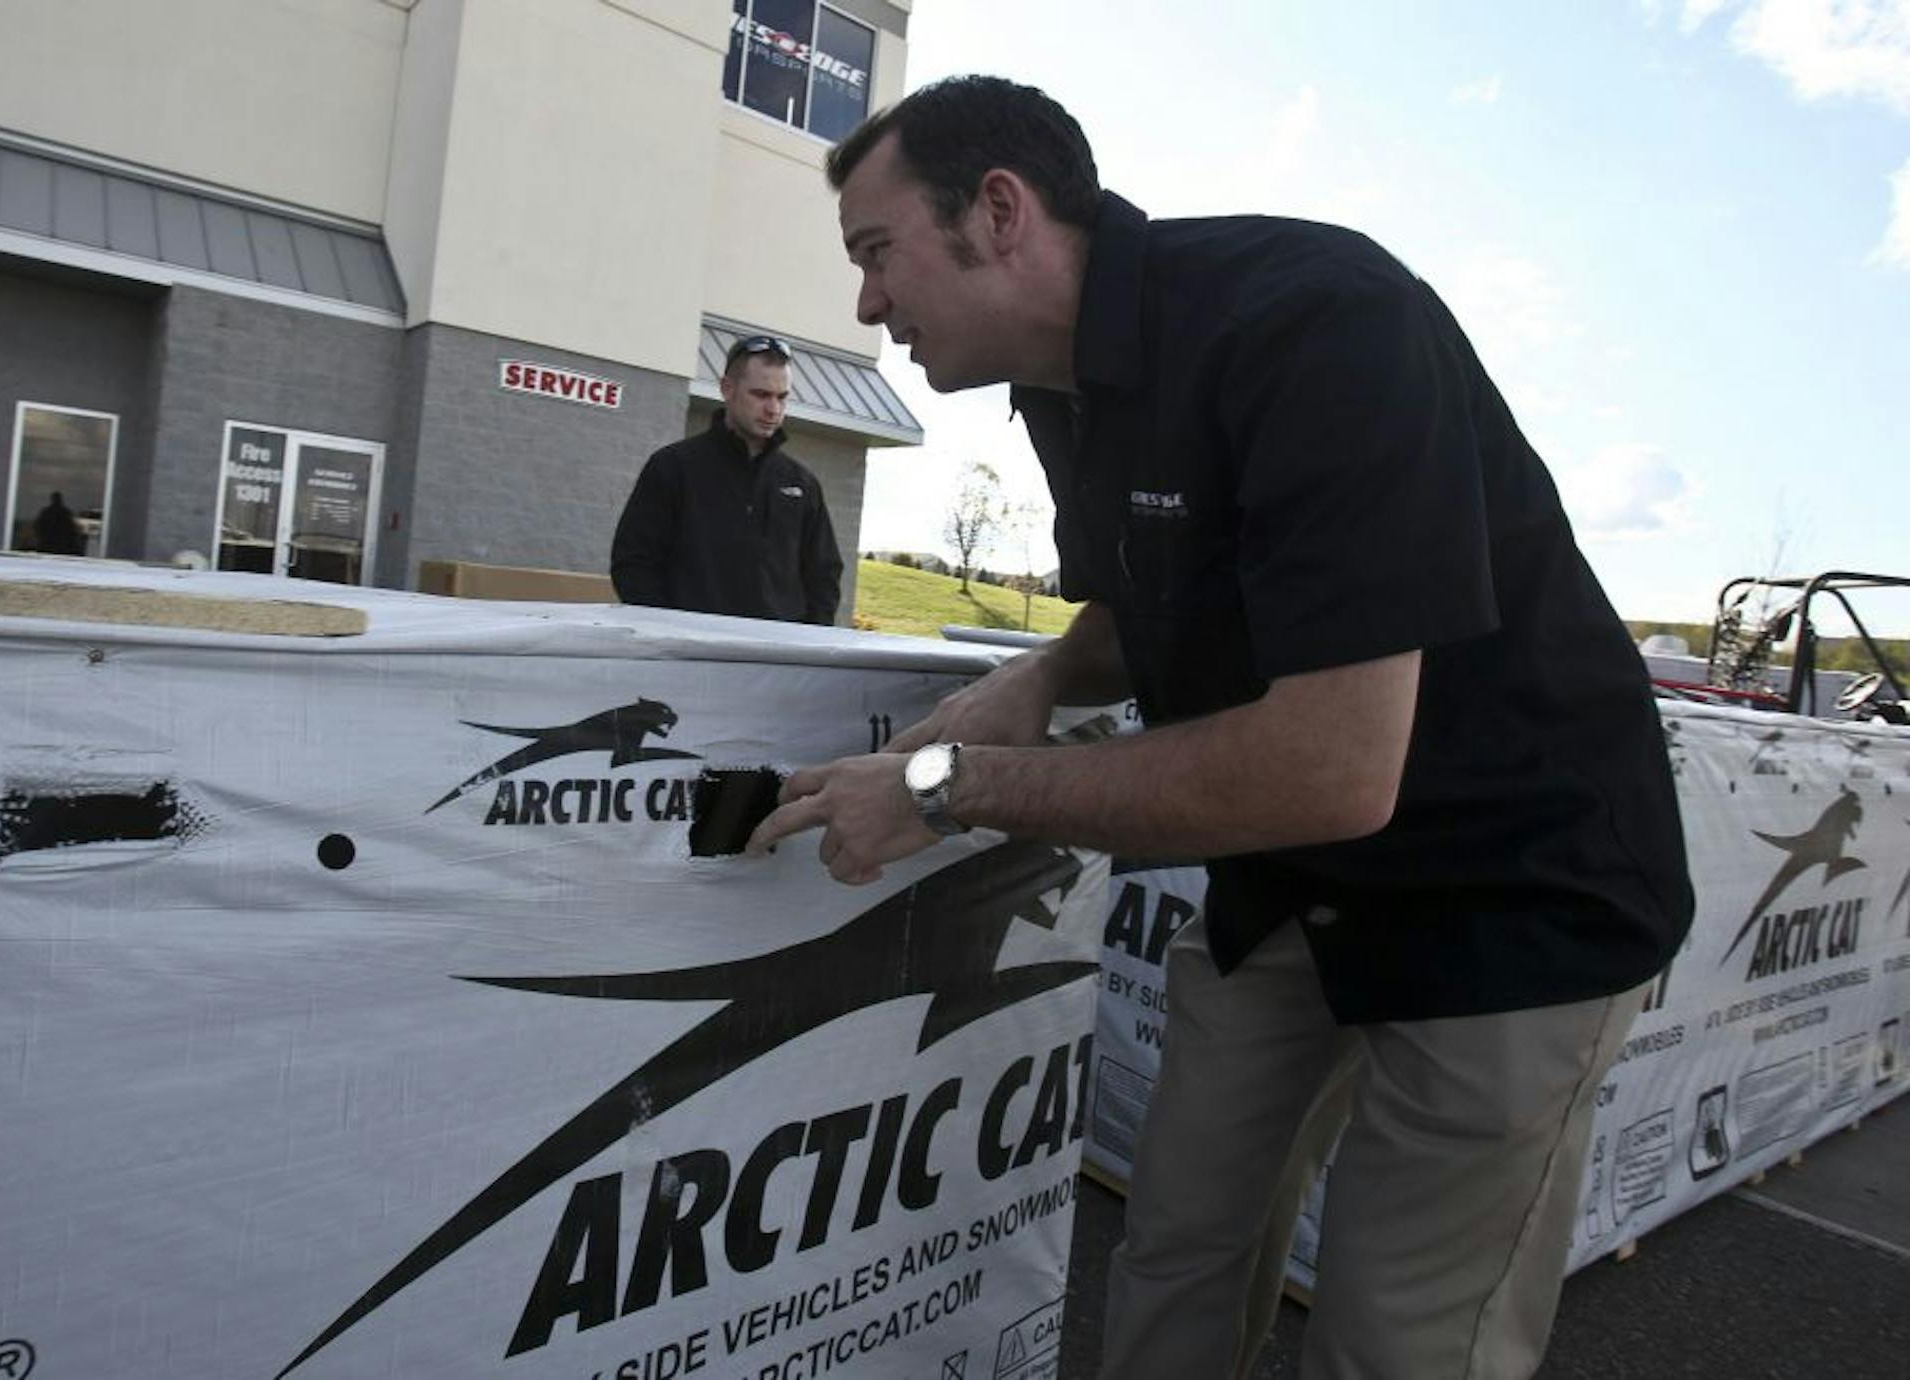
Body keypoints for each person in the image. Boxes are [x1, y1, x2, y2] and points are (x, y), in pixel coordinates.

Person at [748, 76, 1693, 1378]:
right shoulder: (1060, 384)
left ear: (1001, 212)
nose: (865, 304)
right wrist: (1039, 676)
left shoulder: (1313, 320)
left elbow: (1332, 766)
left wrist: (945, 783)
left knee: (1395, 1338)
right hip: (1290, 885)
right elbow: (1154, 600)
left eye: (876, 252)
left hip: (1510, 888)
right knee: (1177, 1244)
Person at [610, 335, 843, 624]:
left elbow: (824, 575)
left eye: (781, 397)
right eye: (761, 395)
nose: (773, 409)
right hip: (692, 654)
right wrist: (670, 632)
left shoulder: (802, 485)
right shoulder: (673, 468)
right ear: (727, 389)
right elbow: (633, 563)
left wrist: (809, 643)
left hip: (777, 658)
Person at [31, 490, 84, 556]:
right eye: (56, 499)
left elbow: (72, 529)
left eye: (57, 499)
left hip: (61, 547)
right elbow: (38, 527)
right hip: (49, 545)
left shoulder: (62, 513)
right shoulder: (50, 513)